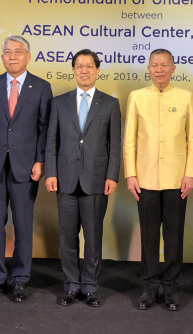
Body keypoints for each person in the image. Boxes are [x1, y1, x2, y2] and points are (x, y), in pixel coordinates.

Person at [0, 36, 52, 302]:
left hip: (25, 168)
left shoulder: (41, 87)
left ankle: (19, 280)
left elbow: (44, 129)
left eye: (18, 52)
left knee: (22, 225)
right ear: (2, 57)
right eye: (7, 52)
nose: (13, 56)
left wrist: (40, 160)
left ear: (28, 56)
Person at [124, 48, 193, 311]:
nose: (159, 69)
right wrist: (130, 174)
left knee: (173, 237)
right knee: (148, 237)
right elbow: (129, 140)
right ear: (148, 69)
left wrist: (190, 173)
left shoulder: (186, 96)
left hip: (178, 180)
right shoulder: (136, 97)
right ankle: (148, 287)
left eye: (164, 65)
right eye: (154, 65)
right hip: (144, 179)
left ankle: (170, 288)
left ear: (173, 68)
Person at [45, 49, 121, 307]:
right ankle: (71, 285)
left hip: (97, 180)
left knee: (92, 237)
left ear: (98, 70)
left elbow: (115, 145)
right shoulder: (59, 102)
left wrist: (112, 176)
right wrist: (51, 172)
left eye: (89, 66)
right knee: (67, 237)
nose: (84, 70)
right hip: (64, 179)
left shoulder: (109, 103)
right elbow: (51, 141)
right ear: (74, 70)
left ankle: (90, 286)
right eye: (79, 66)